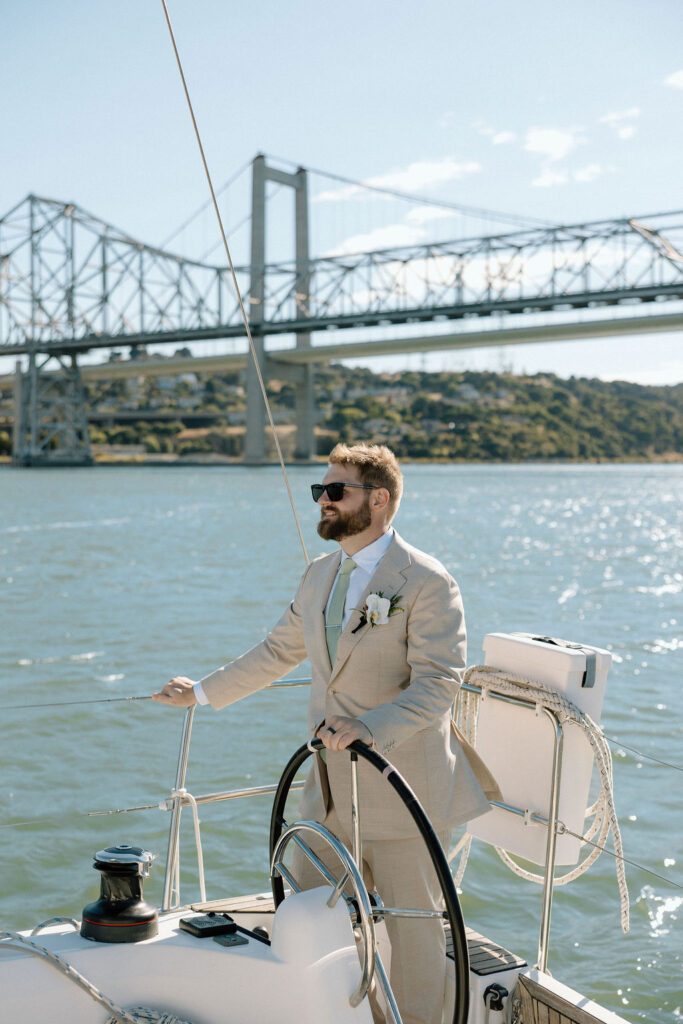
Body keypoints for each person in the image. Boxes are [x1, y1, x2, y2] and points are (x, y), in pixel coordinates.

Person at [153, 442, 498, 1024]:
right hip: (328, 793)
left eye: (337, 491)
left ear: (379, 499)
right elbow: (276, 652)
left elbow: (440, 685)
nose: (324, 501)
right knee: (304, 912)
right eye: (320, 490)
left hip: (403, 791)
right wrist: (202, 693)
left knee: (415, 939)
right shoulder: (319, 575)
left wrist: (368, 726)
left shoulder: (427, 581)